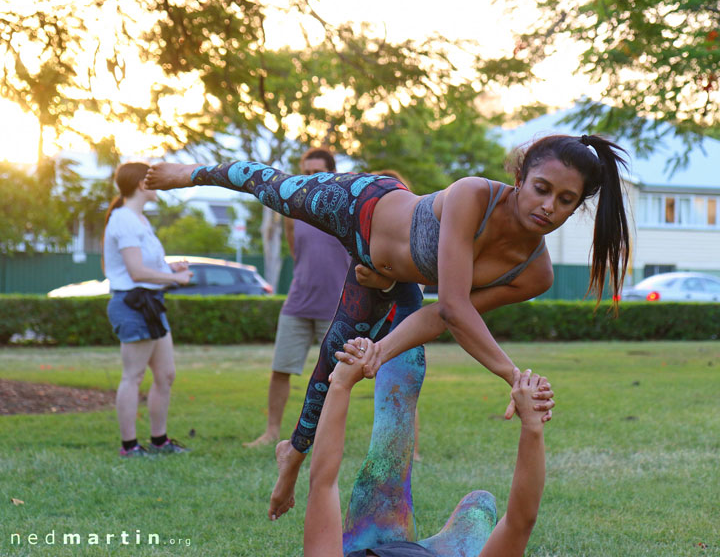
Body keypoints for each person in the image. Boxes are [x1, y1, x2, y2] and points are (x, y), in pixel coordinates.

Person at [144, 133, 629, 515]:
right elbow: (456, 304)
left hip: (383, 281)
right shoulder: (473, 196)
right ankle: (192, 172)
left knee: (334, 368)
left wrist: (383, 349)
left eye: (566, 200)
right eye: (542, 188)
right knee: (272, 187)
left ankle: (292, 455)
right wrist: (511, 374)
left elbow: (439, 316)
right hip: (363, 203)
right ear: (521, 176)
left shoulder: (535, 273)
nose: (548, 206)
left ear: (578, 205)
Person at [305, 331, 554, 557]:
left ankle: (402, 324)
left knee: (387, 463)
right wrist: (532, 426)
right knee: (481, 503)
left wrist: (341, 383)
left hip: (366, 539)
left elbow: (323, 483)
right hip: (441, 553)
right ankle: (402, 330)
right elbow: (519, 523)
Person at [244, 148, 352, 447]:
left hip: (336, 308)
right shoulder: (293, 211)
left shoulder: (345, 209)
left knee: (335, 377)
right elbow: (296, 252)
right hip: (298, 302)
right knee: (281, 369)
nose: (310, 177)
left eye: (317, 171)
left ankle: (326, 437)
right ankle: (271, 433)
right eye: (305, 171)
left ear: (332, 173)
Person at [103, 162, 193, 457]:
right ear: (143, 184)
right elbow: (136, 272)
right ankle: (129, 446)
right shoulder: (123, 220)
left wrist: (169, 267)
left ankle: (160, 441)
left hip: (151, 304)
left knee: (166, 374)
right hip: (132, 304)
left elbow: (147, 266)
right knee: (134, 376)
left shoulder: (140, 220)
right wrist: (175, 278)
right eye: (156, 179)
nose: (162, 184)